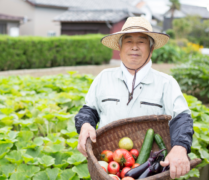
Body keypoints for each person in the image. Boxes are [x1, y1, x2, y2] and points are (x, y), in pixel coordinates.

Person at [74, 17, 194, 179]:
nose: (134, 47)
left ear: (151, 48)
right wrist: (85, 124)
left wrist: (180, 147)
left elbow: (181, 118)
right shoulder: (104, 78)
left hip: (150, 169)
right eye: (128, 41)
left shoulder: (166, 83)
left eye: (142, 42)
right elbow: (89, 110)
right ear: (119, 46)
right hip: (108, 166)